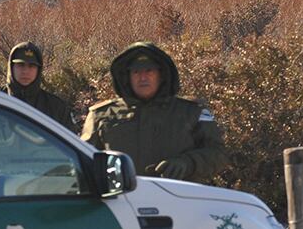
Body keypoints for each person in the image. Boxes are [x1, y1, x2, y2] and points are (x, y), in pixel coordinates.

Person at [82, 41, 229, 183]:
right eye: (136, 72)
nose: (143, 77)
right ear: (127, 77)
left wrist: (188, 163)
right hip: (120, 202)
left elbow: (218, 154)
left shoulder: (190, 112)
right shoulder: (102, 115)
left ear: (161, 75)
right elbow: (81, 161)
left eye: (149, 70)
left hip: (179, 200)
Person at [0, 41, 75, 132]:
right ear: (11, 67)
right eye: (20, 65)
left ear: (39, 70)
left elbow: (68, 143)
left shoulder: (55, 107)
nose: (25, 71)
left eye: (31, 66)